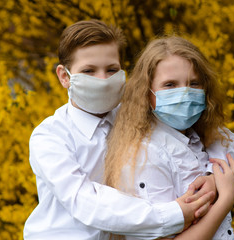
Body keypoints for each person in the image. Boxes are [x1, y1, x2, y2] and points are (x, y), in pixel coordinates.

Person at [23, 20, 217, 240]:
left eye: (111, 69)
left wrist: (212, 175)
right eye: (89, 70)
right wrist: (173, 214)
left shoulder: (135, 115)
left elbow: (205, 132)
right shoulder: (50, 136)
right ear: (64, 76)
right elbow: (84, 201)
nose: (103, 80)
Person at [104, 36, 234, 239]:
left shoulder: (198, 134)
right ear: (146, 93)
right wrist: (225, 198)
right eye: (170, 85)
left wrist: (213, 179)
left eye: (194, 83)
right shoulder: (145, 156)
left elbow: (228, 146)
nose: (184, 93)